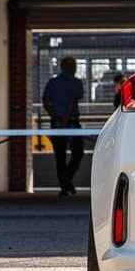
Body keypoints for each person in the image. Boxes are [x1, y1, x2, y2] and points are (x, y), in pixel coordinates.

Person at [43, 56, 84, 196]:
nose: (75, 67)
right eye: (74, 65)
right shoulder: (76, 83)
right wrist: (66, 120)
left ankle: (64, 186)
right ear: (70, 67)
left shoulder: (52, 83)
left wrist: (54, 117)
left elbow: (45, 102)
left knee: (59, 157)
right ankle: (67, 179)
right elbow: (73, 102)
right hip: (72, 123)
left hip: (56, 122)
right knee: (78, 153)